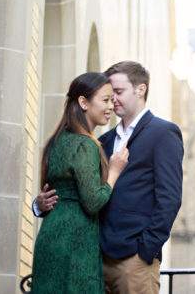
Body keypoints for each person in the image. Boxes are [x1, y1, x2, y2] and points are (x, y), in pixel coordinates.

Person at [37, 61, 184, 294]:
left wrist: (146, 250)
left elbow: (170, 199)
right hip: (92, 259)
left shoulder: (163, 132)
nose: (113, 99)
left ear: (140, 89)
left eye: (118, 92)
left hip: (134, 260)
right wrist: (40, 204)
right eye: (108, 94)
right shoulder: (100, 142)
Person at [31, 72, 130, 293]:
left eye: (112, 100)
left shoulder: (56, 141)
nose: (111, 106)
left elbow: (54, 192)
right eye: (105, 100)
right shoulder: (85, 145)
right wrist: (114, 172)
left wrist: (38, 204)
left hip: (50, 237)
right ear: (83, 102)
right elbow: (93, 201)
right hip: (75, 243)